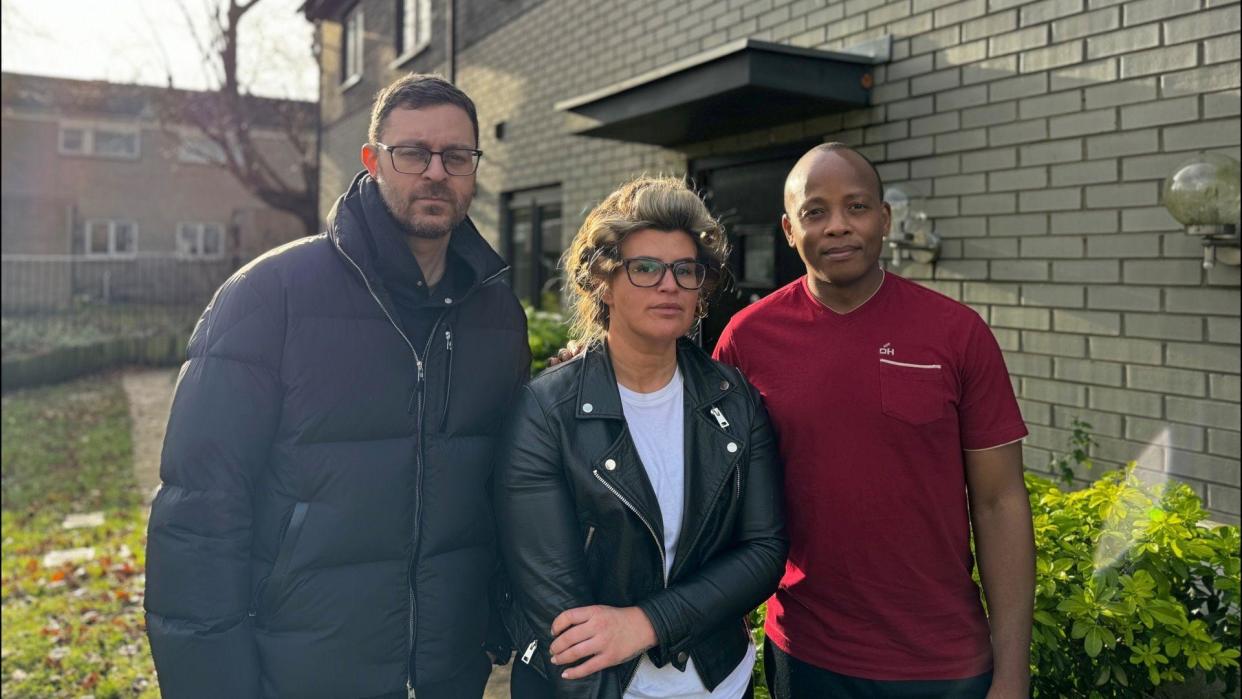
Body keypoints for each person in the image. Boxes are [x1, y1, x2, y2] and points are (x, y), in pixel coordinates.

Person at [144, 74, 530, 699]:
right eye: (413, 153)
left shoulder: (496, 314)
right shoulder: (271, 297)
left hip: (447, 670)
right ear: (373, 161)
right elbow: (198, 515)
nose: (436, 172)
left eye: (457, 156)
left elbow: (503, 489)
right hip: (301, 666)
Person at [713, 143, 1035, 698]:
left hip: (946, 661)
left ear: (884, 220)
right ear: (789, 230)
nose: (837, 226)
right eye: (816, 212)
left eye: (856, 207)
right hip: (807, 654)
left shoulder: (957, 333)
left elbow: (1000, 501)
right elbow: (721, 495)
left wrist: (1012, 670)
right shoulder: (746, 339)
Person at [495, 176, 788, 699]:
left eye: (685, 270)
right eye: (645, 267)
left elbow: (764, 550)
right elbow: (554, 605)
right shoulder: (546, 413)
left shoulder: (735, 399)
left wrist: (649, 622)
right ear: (603, 281)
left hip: (722, 681)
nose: (669, 284)